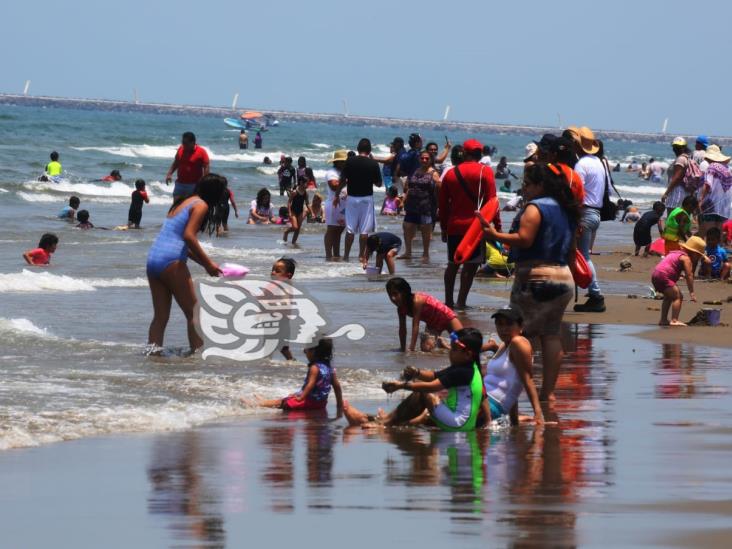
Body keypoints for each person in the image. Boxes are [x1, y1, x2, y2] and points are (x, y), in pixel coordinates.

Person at [479, 162, 579, 402]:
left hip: (536, 277)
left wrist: (494, 235)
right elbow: (572, 250)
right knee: (551, 334)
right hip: (563, 277)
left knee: (516, 334)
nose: (524, 189)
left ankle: (503, 390)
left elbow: (524, 239)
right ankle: (548, 393)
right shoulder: (567, 210)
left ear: (540, 185)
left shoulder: (535, 208)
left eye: (527, 184)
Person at [343, 328, 485, 432]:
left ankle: (385, 423)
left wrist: (401, 385)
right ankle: (372, 419)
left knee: (423, 393)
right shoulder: (468, 367)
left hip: (457, 424)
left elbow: (431, 387)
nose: (450, 352)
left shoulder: (463, 371)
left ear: (467, 354)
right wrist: (416, 372)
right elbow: (434, 375)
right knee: (416, 413)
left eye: (454, 349)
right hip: (460, 422)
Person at [146, 173, 225, 354]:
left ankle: (152, 356)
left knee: (160, 317)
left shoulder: (182, 202)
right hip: (171, 262)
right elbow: (188, 236)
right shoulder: (201, 205)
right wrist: (208, 264)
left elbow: (180, 243)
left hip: (154, 259)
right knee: (194, 313)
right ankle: (197, 357)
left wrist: (206, 264)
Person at [439, 138, 498, 309]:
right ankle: (461, 301)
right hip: (476, 228)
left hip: (455, 225)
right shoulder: (485, 172)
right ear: (480, 154)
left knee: (452, 264)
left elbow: (442, 205)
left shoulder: (451, 173)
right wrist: (497, 227)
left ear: (464, 153)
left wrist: (443, 228)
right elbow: (493, 202)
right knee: (470, 266)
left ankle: (448, 301)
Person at [483, 307, 544, 424]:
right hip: (483, 400)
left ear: (521, 327)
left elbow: (527, 380)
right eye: (500, 324)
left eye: (509, 324)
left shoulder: (518, 342)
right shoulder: (504, 345)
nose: (504, 329)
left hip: (491, 405)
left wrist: (538, 413)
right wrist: (514, 421)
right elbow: (511, 383)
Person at [250, 339, 343, 413]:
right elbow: (337, 386)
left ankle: (257, 404)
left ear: (313, 351)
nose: (304, 351)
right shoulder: (330, 368)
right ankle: (264, 401)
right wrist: (339, 404)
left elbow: (310, 384)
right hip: (320, 404)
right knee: (290, 397)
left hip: (307, 403)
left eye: (306, 349)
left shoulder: (315, 368)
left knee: (281, 402)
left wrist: (301, 397)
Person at [570, 127, 606, 313]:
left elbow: (577, 191)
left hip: (584, 213)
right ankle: (593, 293)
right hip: (595, 213)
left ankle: (596, 294)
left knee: (583, 255)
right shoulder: (599, 163)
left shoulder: (581, 165)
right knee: (584, 254)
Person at [386, 277, 462, 353]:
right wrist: (402, 349)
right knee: (426, 349)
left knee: (463, 345)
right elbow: (402, 330)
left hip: (448, 318)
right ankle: (443, 344)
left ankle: (445, 344)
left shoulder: (417, 300)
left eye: (395, 294)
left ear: (404, 292)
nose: (393, 298)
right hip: (433, 325)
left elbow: (415, 325)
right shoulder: (401, 309)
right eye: (390, 295)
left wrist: (411, 349)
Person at [338, 138, 382, 262]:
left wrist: (337, 194)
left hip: (352, 198)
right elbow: (378, 183)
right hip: (366, 199)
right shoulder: (373, 164)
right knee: (364, 230)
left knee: (350, 229)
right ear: (369, 150)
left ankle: (346, 256)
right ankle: (361, 256)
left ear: (358, 149)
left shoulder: (349, 161)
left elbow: (342, 180)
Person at [651, 236, 707, 326]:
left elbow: (669, 265)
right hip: (664, 276)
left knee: (668, 297)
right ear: (694, 253)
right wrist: (691, 292)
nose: (699, 257)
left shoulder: (675, 253)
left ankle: (663, 319)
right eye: (699, 255)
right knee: (678, 297)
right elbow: (689, 276)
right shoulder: (686, 259)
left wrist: (677, 274)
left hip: (656, 274)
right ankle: (674, 320)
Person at [401, 150, 439, 262]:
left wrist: (439, 206)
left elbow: (440, 189)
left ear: (431, 160)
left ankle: (426, 253)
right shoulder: (416, 171)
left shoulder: (434, 173)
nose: (424, 160)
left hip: (426, 205)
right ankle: (408, 252)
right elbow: (409, 187)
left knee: (425, 229)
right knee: (407, 226)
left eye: (427, 158)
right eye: (422, 158)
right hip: (412, 205)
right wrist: (404, 199)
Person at [698, 144, 732, 236]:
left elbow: (708, 184)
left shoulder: (712, 166)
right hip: (724, 206)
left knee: (710, 231)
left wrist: (701, 199)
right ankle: (718, 248)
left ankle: (709, 249)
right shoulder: (727, 168)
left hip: (711, 204)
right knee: (719, 231)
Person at [165, 132, 210, 200]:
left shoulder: (201, 152)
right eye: (183, 142)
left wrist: (204, 183)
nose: (184, 145)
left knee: (190, 206)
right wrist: (169, 174)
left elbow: (206, 167)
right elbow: (176, 163)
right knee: (176, 206)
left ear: (193, 142)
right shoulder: (181, 149)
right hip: (180, 183)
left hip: (194, 185)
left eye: (186, 143)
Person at [271, 256, 297, 361]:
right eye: (272, 270)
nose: (273, 273)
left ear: (288, 275)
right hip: (273, 322)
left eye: (277, 271)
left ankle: (291, 361)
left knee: (282, 347)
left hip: (281, 324)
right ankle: (290, 361)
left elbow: (285, 302)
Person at [324, 150, 348, 260]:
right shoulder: (331, 172)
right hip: (333, 204)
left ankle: (337, 254)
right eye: (342, 161)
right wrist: (347, 181)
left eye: (345, 161)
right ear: (337, 162)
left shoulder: (345, 172)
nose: (344, 163)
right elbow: (334, 185)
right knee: (331, 229)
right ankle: (328, 255)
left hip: (344, 205)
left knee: (339, 230)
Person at [661, 137, 694, 216]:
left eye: (678, 147)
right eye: (675, 147)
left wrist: (666, 193)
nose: (676, 149)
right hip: (684, 191)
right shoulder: (687, 157)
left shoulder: (681, 159)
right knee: (681, 217)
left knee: (672, 216)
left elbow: (677, 177)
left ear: (684, 147)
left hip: (677, 192)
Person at [283, 178, 310, 244]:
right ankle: (286, 232)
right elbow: (289, 202)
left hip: (300, 211)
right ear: (301, 182)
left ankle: (293, 243)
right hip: (293, 211)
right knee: (295, 227)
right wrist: (289, 212)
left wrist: (311, 212)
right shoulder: (295, 192)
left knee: (298, 229)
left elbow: (307, 203)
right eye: (306, 183)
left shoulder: (306, 193)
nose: (307, 185)